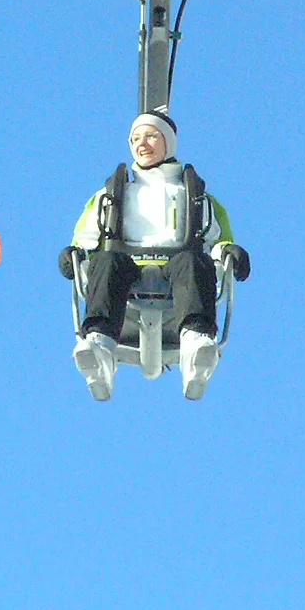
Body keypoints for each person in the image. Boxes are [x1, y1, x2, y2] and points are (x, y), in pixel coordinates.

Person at [62, 109, 248, 402]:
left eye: (150, 136)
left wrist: (229, 251)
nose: (142, 144)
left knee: (192, 262)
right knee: (106, 262)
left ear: (168, 143)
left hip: (174, 267)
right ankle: (99, 343)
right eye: (135, 138)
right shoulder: (113, 193)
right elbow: (88, 233)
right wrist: (76, 252)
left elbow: (215, 237)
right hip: (128, 267)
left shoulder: (192, 194)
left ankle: (195, 341)